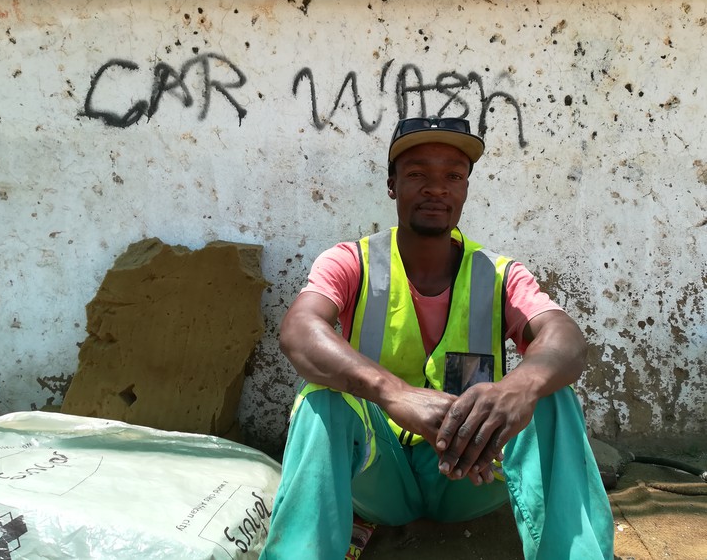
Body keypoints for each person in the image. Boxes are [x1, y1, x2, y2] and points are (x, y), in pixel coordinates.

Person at [260, 117, 614, 560]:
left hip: (473, 474)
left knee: (551, 395)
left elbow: (565, 337)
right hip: (378, 476)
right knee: (320, 398)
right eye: (417, 174)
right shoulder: (352, 260)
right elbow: (299, 329)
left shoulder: (498, 273)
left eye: (453, 176)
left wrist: (517, 388)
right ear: (392, 186)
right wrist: (395, 394)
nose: (436, 188)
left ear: (465, 189)